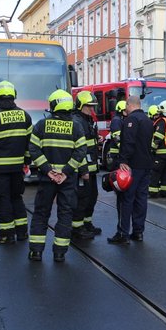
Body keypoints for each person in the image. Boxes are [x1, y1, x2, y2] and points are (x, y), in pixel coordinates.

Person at [27, 89, 86, 262]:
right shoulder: (77, 126)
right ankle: (60, 253)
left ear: (54, 105)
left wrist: (48, 170)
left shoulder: (41, 125)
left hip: (47, 178)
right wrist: (66, 172)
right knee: (65, 214)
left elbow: (33, 149)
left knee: (41, 213)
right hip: (67, 180)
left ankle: (36, 252)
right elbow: (81, 151)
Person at [0, 81, 34, 244]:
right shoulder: (25, 116)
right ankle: (22, 232)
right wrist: (26, 161)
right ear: (14, 96)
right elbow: (28, 143)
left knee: (2, 199)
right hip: (17, 167)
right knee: (16, 197)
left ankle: (6, 234)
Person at [108, 95, 154, 244]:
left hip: (132, 166)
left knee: (126, 199)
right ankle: (138, 232)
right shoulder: (148, 120)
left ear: (129, 105)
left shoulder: (131, 120)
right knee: (141, 199)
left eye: (126, 106)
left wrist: (123, 160)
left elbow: (128, 142)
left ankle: (122, 234)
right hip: (146, 165)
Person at [71, 90, 100, 240]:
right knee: (82, 198)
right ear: (81, 105)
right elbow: (78, 148)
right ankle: (77, 228)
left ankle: (87, 223)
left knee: (92, 196)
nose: (92, 109)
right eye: (89, 106)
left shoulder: (87, 120)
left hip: (92, 168)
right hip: (83, 169)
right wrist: (83, 169)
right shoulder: (77, 121)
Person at [149, 100, 166, 199]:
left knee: (155, 172)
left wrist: (152, 149)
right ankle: (165, 193)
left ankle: (153, 192)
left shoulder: (161, 122)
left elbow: (158, 137)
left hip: (161, 152)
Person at [107, 100, 127, 170]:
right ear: (120, 110)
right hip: (116, 154)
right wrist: (124, 149)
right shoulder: (116, 120)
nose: (127, 112)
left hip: (119, 153)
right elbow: (116, 137)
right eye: (125, 110)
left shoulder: (122, 119)